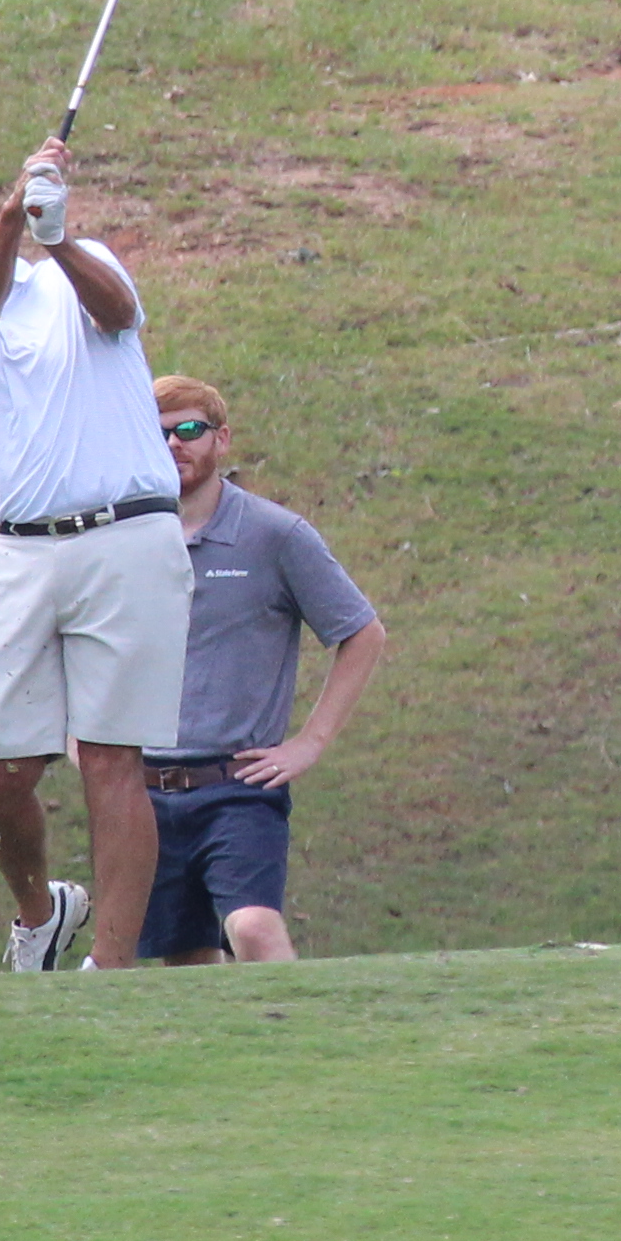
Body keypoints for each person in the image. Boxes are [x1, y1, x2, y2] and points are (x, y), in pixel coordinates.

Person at [0, 136, 188, 971]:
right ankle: (40, 910)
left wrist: (53, 235)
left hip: (129, 535)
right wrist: (22, 215)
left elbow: (119, 316)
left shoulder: (79, 264)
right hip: (23, 555)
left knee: (113, 760)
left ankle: (113, 970)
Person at [136, 375, 390, 963]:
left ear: (221, 440)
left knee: (252, 930)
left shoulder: (276, 536)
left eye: (190, 430)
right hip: (142, 793)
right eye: (159, 434)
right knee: (184, 963)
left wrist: (310, 742)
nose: (174, 444)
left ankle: (303, 1043)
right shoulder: (126, 540)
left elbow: (361, 633)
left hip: (238, 788)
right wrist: (79, 736)